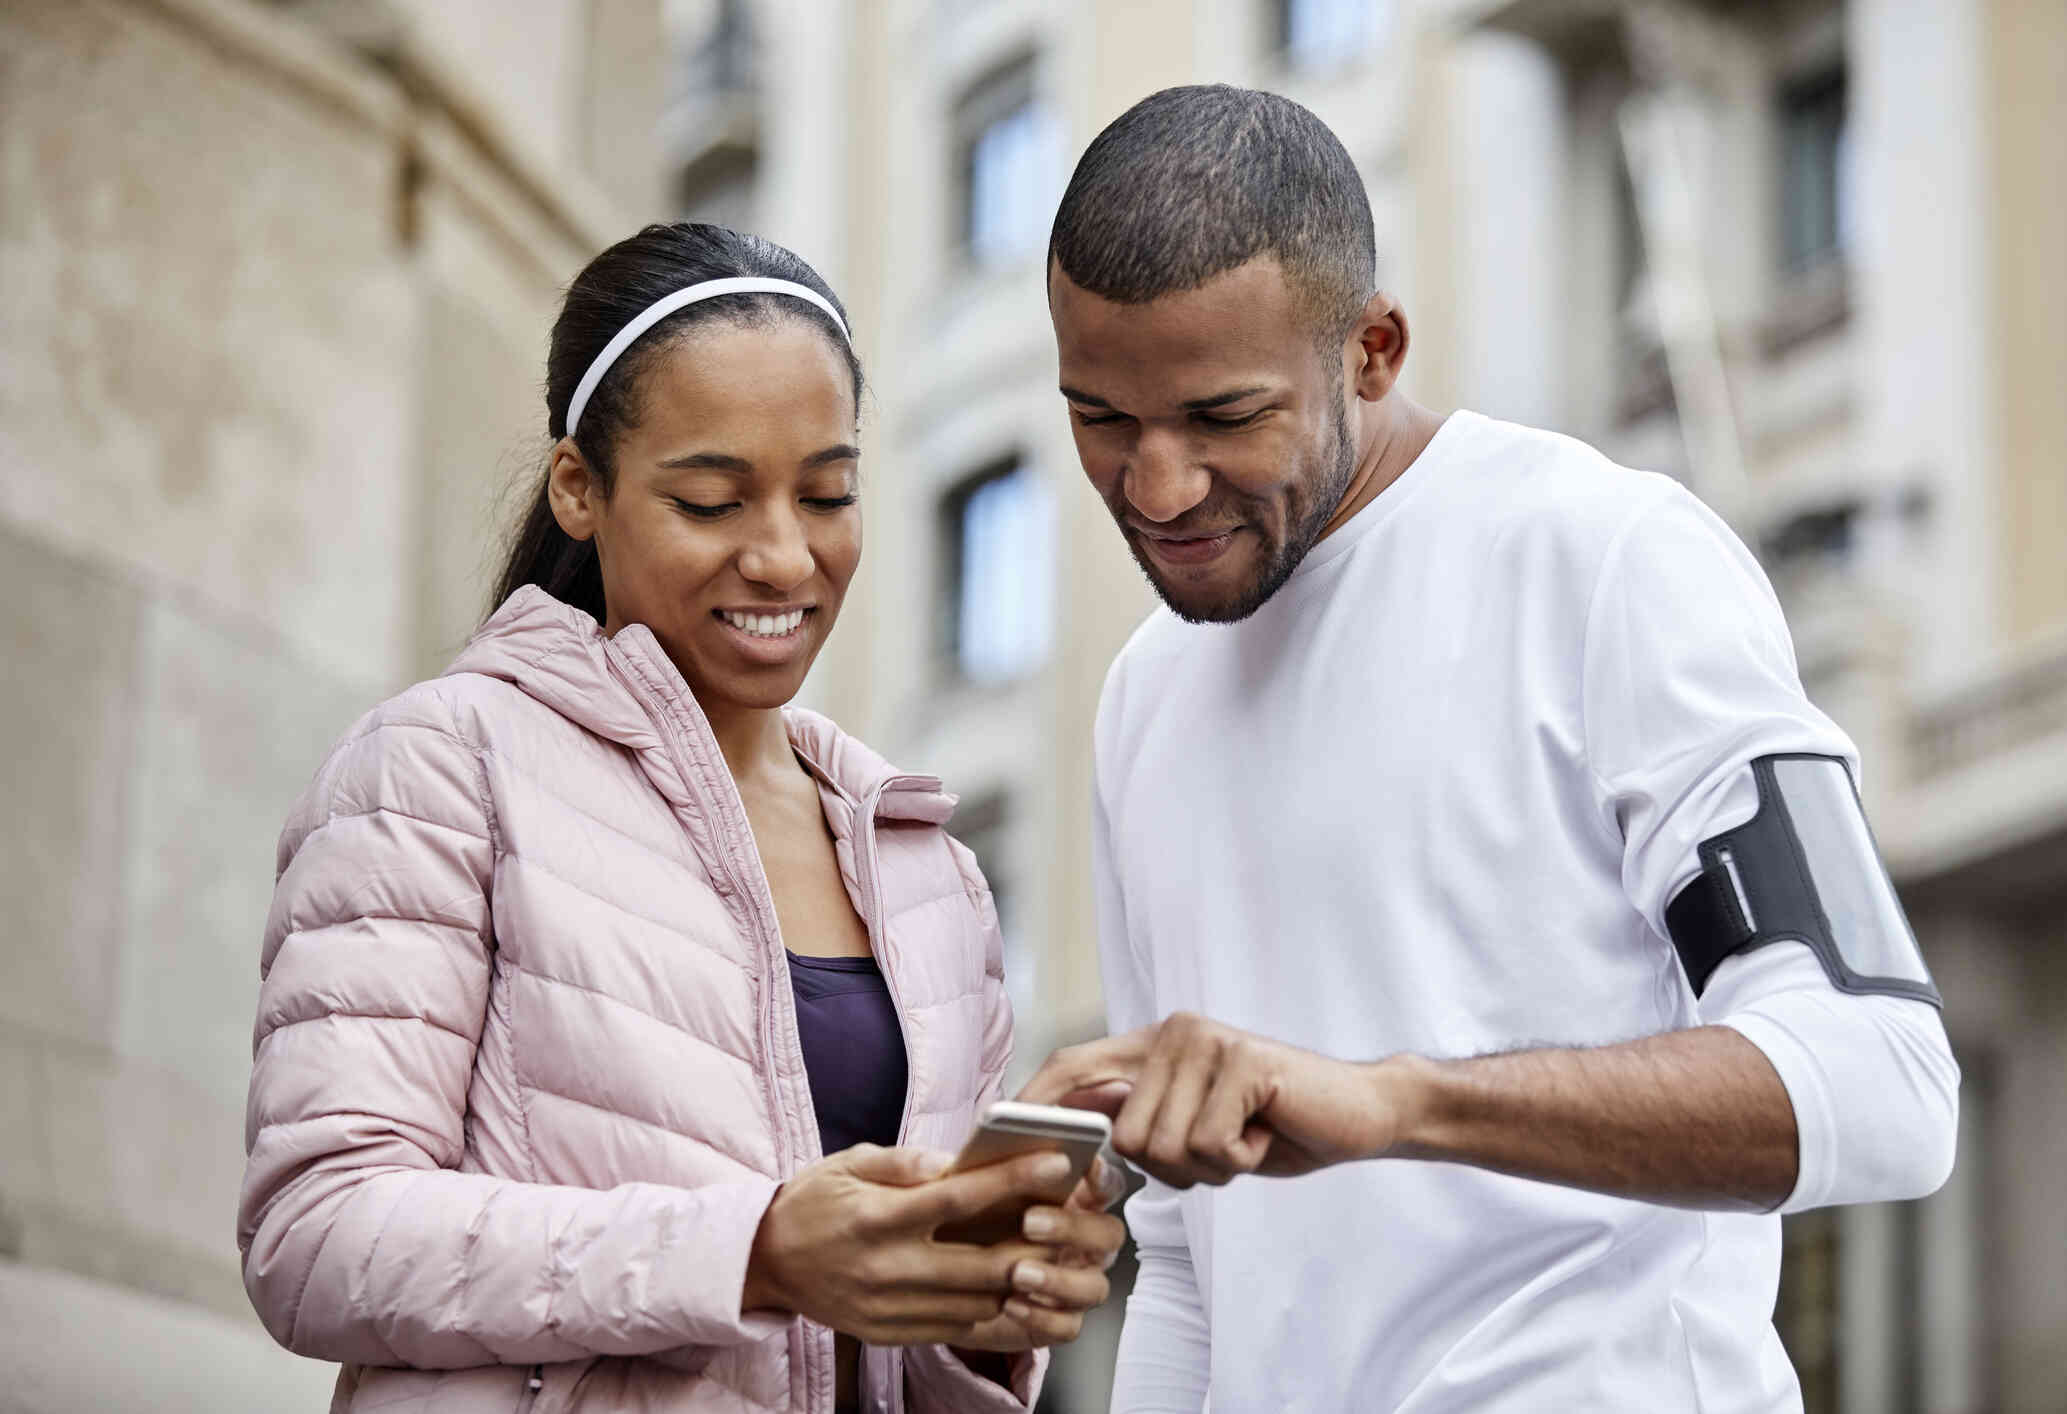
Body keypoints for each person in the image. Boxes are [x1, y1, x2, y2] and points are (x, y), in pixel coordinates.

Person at [1020, 86, 1960, 1412]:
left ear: (1373, 348)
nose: (1157, 487)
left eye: (1223, 417)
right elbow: (1179, 1259)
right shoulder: (1142, 693)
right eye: (1101, 419)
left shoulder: (1604, 556)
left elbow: (1886, 1080)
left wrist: (1401, 1100)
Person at [237, 223, 1123, 1414]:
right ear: (579, 488)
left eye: (828, 494)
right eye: (711, 499)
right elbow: (318, 1233)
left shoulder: (929, 868)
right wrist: (751, 1250)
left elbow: (884, 1350)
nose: (782, 556)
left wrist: (986, 1296)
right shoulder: (442, 767)